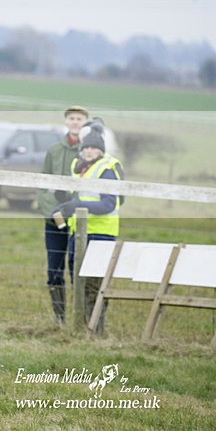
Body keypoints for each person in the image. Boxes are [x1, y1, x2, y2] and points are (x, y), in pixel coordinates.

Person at [52, 120, 124, 333]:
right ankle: (82, 326)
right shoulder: (80, 168)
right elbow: (78, 197)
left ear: (100, 150)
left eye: (94, 148)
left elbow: (109, 203)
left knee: (94, 285)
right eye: (86, 147)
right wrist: (64, 205)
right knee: (78, 282)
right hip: (79, 234)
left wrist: (77, 205)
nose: (89, 151)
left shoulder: (107, 169)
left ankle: (97, 329)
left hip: (100, 234)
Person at [37, 106, 89, 325]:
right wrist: (52, 210)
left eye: (79, 119)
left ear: (85, 123)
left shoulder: (90, 151)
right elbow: (43, 184)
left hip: (80, 222)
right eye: (72, 118)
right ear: (66, 122)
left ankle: (82, 319)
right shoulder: (54, 151)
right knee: (54, 270)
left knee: (77, 270)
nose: (75, 122)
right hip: (54, 220)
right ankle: (60, 320)